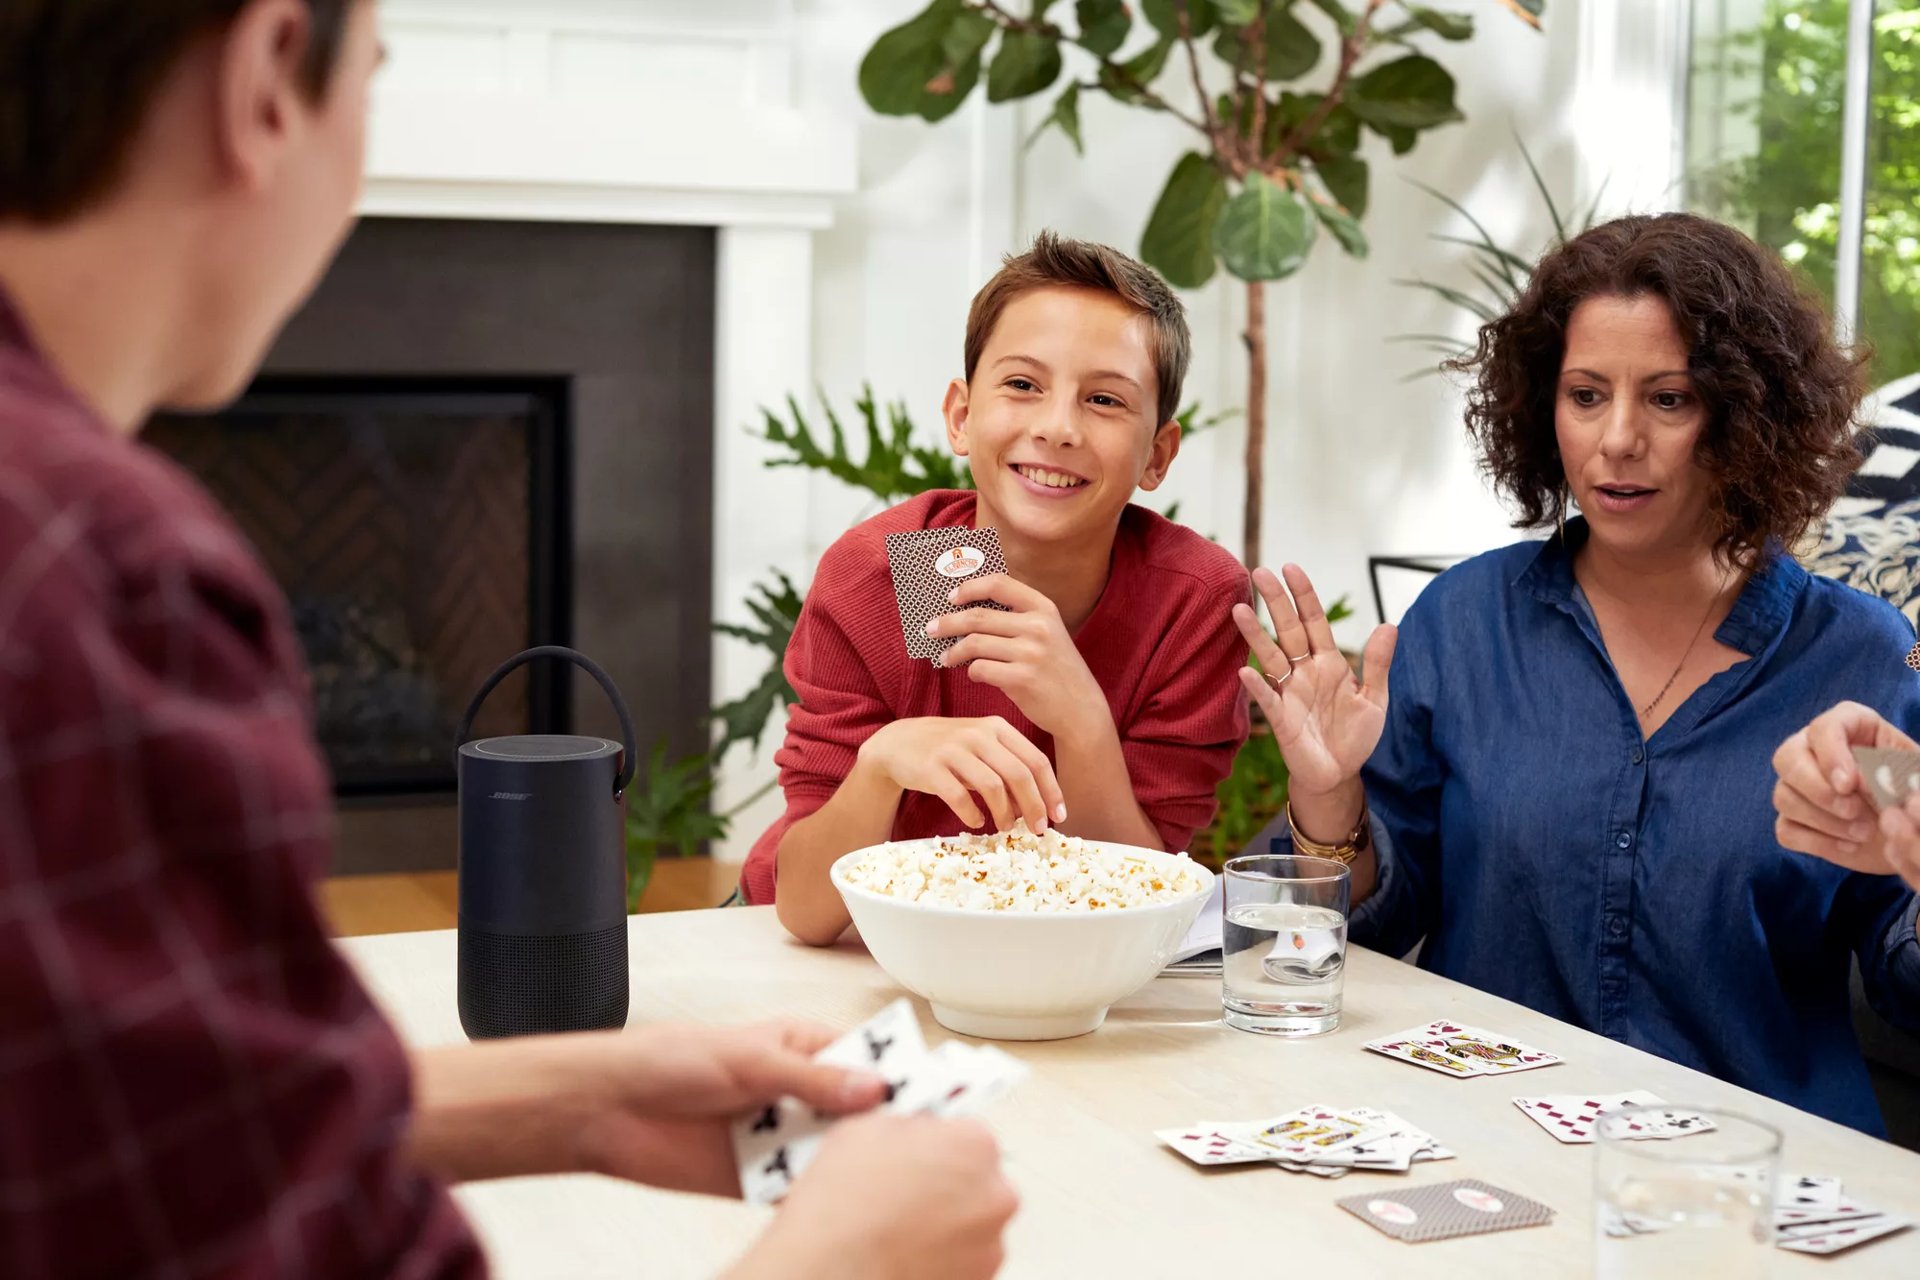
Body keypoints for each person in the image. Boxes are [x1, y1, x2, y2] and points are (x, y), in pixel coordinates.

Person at [0, 3, 1016, 1276]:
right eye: (373, 79)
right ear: (268, 78)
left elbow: (127, 1115)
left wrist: (573, 1097)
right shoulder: (103, 575)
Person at [1237, 213, 1920, 1134]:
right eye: (1586, 395)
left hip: (1759, 1180)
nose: (1619, 439)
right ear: (1540, 407)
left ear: (1747, 411)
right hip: (1480, 1149)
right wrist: (1328, 798)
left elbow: (1906, 981)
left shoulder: (1869, 659)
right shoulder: (1464, 624)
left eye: (1670, 399)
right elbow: (1345, 944)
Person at [746, 232, 1252, 944]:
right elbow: (804, 910)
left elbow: (1134, 903)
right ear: (961, 415)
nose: (1057, 427)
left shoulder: (1192, 601)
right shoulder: (886, 574)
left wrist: (1080, 721)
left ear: (1157, 455)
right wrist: (883, 763)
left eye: (1104, 399)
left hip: (1062, 964)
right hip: (855, 953)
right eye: (1022, 385)